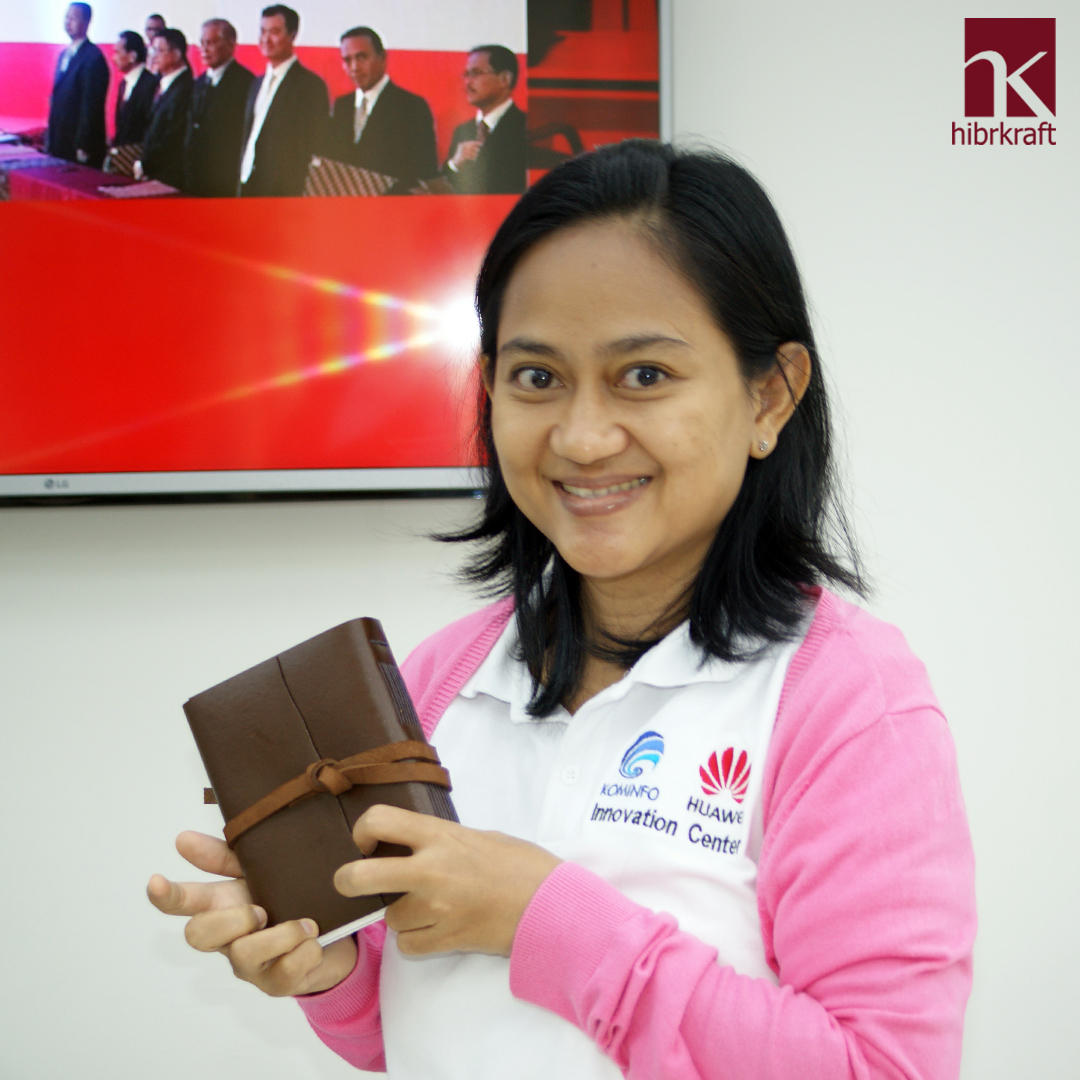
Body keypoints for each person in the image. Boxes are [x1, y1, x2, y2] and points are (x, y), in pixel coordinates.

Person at [148, 143, 976, 1079]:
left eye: (645, 376)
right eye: (537, 378)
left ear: (769, 396)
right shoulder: (441, 676)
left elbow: (882, 1066)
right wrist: (328, 969)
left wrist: (545, 918)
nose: (582, 437)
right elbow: (420, 1016)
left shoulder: (848, 698)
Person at [322, 26, 437, 191]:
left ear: (382, 57)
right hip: (347, 209)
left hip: (392, 209)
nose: (354, 67)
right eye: (347, 60)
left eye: (362, 57)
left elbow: (425, 173)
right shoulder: (342, 105)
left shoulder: (412, 106)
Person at [238, 4, 329, 198]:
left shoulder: (310, 85)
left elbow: (311, 148)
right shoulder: (256, 83)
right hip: (246, 186)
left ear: (293, 35)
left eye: (275, 32)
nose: (266, 39)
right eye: (262, 31)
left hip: (282, 196)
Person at [183, 19, 255, 197]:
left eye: (212, 42)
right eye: (202, 43)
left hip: (224, 180)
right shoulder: (199, 82)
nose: (205, 49)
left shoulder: (246, 82)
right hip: (193, 177)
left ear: (231, 44)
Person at [442, 44, 526, 194]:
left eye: (476, 73)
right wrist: (454, 164)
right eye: (466, 74)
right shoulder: (463, 130)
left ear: (504, 79)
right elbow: (443, 191)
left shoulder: (525, 126)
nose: (467, 82)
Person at [46, 3, 109, 168]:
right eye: (66, 17)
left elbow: (91, 105)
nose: (68, 22)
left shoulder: (93, 58)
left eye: (73, 18)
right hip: (59, 140)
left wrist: (84, 145)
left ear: (87, 22)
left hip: (78, 145)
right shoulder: (64, 55)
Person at [135, 28, 192, 189]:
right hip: (153, 171)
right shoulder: (162, 83)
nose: (153, 56)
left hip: (169, 175)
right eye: (152, 50)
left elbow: (172, 137)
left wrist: (146, 165)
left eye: (160, 50)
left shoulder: (185, 89)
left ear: (176, 54)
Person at [111, 31, 158, 147]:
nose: (113, 58)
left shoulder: (150, 84)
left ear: (132, 56)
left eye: (117, 52)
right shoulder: (123, 83)